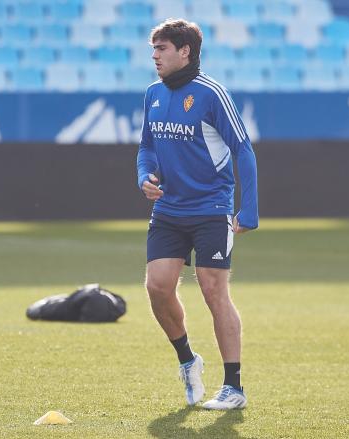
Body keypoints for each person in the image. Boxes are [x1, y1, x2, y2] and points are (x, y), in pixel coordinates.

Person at [137, 18, 258, 410]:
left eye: (162, 49)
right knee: (157, 287)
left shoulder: (211, 93)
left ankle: (234, 387)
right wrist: (144, 175)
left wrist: (249, 208)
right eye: (153, 49)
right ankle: (188, 361)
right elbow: (146, 147)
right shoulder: (153, 93)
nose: (154, 56)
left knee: (212, 290)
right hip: (169, 209)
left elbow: (243, 148)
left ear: (185, 51)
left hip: (211, 208)